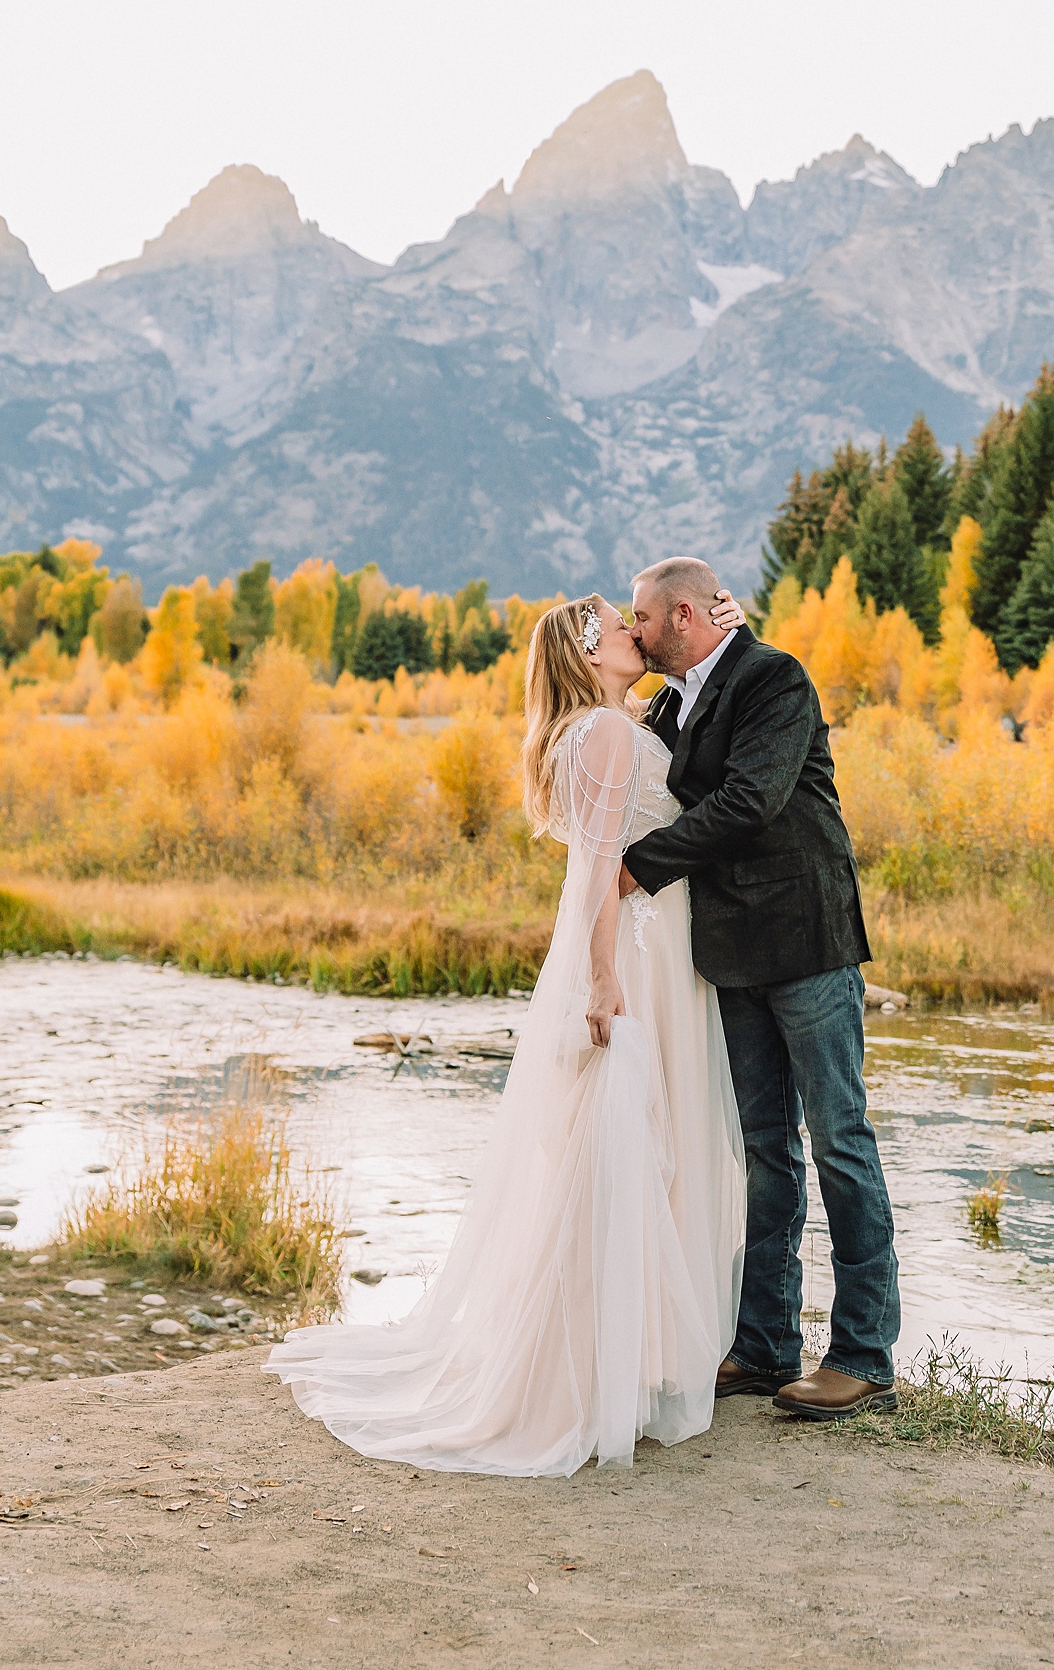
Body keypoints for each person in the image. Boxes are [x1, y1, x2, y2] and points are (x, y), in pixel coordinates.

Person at [267, 590, 748, 1476]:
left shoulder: (600, 725)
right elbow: (603, 864)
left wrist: (728, 627)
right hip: (634, 955)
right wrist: (605, 978)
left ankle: (623, 1356)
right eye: (617, 631)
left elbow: (688, 701)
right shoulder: (603, 736)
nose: (634, 636)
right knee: (626, 1151)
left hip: (647, 946)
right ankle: (601, 1367)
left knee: (623, 1151)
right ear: (587, 655)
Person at [619, 556, 899, 1420]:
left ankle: (862, 1355)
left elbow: (750, 800)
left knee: (839, 1140)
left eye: (641, 618)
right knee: (763, 1152)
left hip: (808, 942)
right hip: (734, 953)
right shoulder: (668, 702)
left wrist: (637, 867)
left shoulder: (774, 677)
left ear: (684, 616)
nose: (632, 631)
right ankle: (765, 1343)